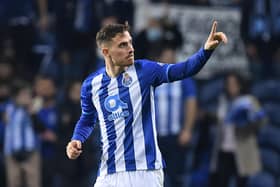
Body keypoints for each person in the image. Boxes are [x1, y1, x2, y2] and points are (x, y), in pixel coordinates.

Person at [66, 21, 227, 187]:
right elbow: (87, 119)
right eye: (123, 45)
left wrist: (206, 51)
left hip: (145, 173)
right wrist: (76, 140)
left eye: (130, 42)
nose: (131, 49)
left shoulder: (145, 71)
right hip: (109, 173)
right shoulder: (91, 85)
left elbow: (184, 69)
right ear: (106, 52)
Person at [209, 72, 267, 187]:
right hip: (224, 150)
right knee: (221, 181)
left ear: (240, 85)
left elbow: (262, 122)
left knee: (242, 182)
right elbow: (218, 121)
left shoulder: (248, 100)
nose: (231, 86)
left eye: (234, 83)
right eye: (229, 84)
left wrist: (251, 118)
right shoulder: (222, 101)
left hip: (242, 149)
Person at [154, 47, 197, 187]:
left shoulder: (183, 77)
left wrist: (188, 130)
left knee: (176, 177)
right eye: (166, 54)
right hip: (155, 137)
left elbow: (191, 102)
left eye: (171, 55)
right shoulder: (152, 77)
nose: (169, 58)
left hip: (175, 136)